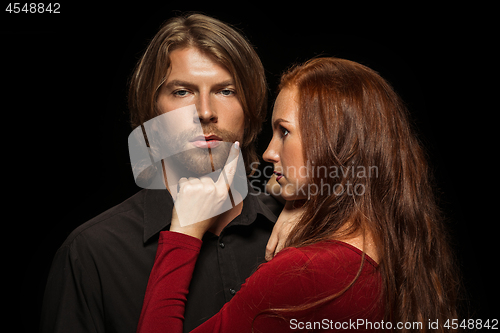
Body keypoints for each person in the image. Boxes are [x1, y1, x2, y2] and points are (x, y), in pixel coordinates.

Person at [136, 57, 460, 332]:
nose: (268, 152)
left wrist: (184, 234)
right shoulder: (399, 249)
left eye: (284, 132)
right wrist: (303, 205)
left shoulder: (304, 274)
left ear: (335, 144)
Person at [40, 13, 282, 333]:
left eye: (226, 91)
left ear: (251, 111)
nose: (205, 112)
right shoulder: (91, 253)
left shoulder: (293, 226)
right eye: (182, 92)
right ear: (151, 109)